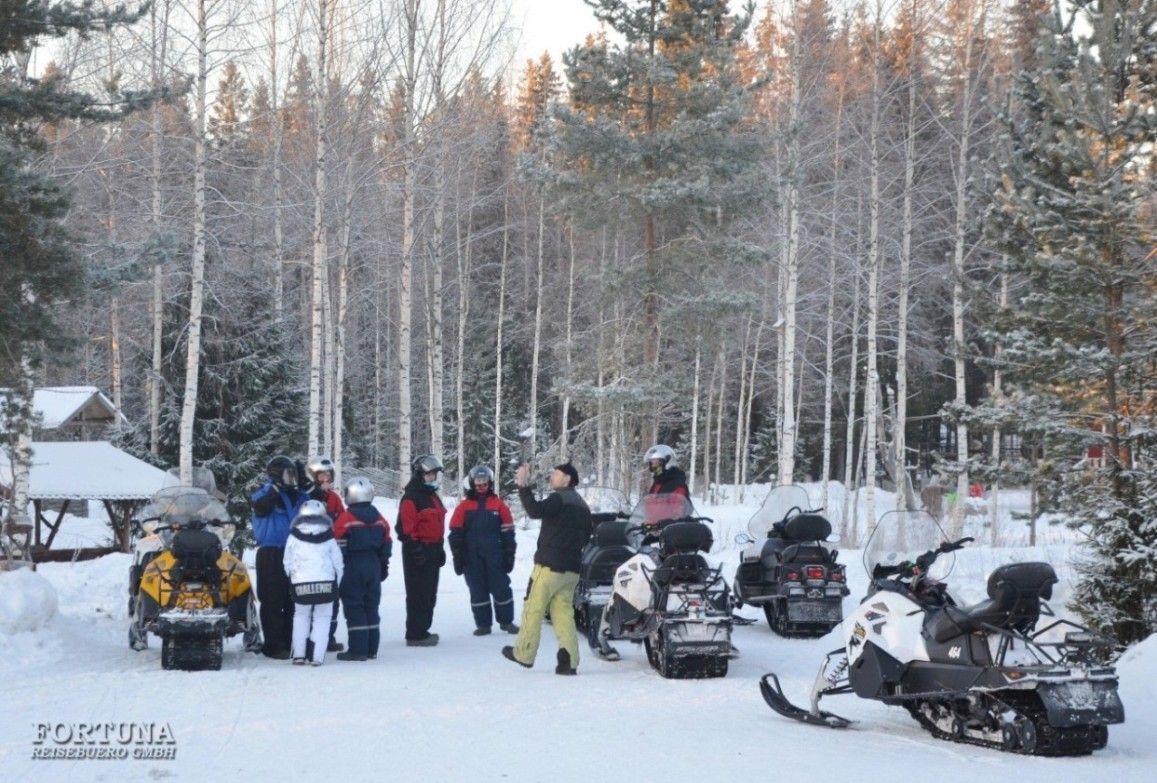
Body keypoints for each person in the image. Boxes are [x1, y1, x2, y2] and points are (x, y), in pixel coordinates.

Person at [502, 462, 592, 675]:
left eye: (556, 474)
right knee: (563, 614)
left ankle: (523, 653)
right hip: (571, 570)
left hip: (549, 567)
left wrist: (522, 486)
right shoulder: (582, 505)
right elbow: (587, 535)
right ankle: (568, 662)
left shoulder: (559, 498)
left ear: (567, 479)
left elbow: (534, 511)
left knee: (533, 608)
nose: (551, 477)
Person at [250, 456, 311, 659]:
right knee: (272, 600)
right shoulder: (265, 492)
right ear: (277, 474)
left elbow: (312, 507)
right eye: (288, 474)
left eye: (293, 474)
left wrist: (306, 484)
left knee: (294, 599)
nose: (291, 478)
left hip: (296, 551)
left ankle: (293, 641)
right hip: (271, 552)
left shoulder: (297, 495)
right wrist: (275, 487)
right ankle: (274, 644)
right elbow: (260, 507)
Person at [449, 465, 519, 636]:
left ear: (490, 484)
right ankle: (483, 624)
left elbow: (508, 531)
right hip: (471, 556)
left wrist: (510, 554)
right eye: (478, 483)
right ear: (472, 484)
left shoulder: (498, 504)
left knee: (501, 587)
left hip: (495, 554)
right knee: (477, 589)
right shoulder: (463, 506)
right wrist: (457, 556)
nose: (481, 487)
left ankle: (506, 621)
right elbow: (455, 532)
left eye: (485, 483)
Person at [333, 477, 392, 661]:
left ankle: (358, 650)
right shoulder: (378, 516)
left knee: (354, 605)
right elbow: (387, 540)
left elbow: (337, 542)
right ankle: (371, 648)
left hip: (352, 564)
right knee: (371, 606)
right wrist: (383, 563)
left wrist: (337, 567)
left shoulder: (346, 517)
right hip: (373, 564)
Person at [284, 500, 344, 666]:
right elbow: (338, 564)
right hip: (325, 584)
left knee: (300, 617)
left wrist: (293, 579)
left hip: (301, 584)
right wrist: (335, 583)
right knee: (322, 618)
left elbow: (287, 562)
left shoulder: (293, 537)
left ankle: (299, 655)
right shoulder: (329, 538)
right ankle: (317, 657)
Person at [396, 455, 447, 647]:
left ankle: (423, 629)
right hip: (417, 549)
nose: (432, 478)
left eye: (434, 475)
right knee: (418, 592)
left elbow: (438, 522)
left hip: (433, 547)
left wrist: (440, 547)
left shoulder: (431, 496)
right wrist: (415, 548)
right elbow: (406, 527)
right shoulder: (411, 497)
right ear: (419, 475)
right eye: (429, 475)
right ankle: (415, 633)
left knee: (429, 592)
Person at [307, 456, 346, 654]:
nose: (326, 479)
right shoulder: (306, 497)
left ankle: (328, 636)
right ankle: (309, 638)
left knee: (332, 597)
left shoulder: (334, 498)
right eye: (321, 475)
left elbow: (343, 519)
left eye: (328, 475)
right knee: (310, 596)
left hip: (331, 552)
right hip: (310, 554)